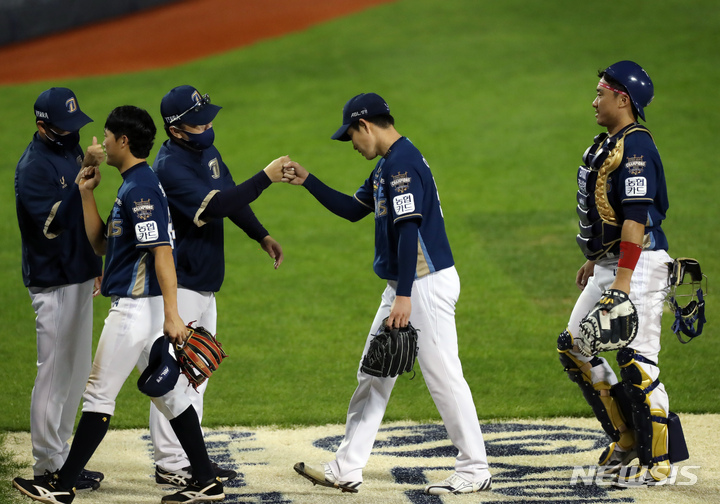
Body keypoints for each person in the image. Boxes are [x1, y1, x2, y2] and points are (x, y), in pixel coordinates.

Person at [11, 105, 287, 503]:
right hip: (142, 308)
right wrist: (86, 193)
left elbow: (162, 252)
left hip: (137, 309)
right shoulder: (133, 183)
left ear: (123, 141)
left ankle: (62, 485)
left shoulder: (140, 189)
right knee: (171, 393)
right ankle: (205, 479)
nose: (101, 142)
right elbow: (103, 244)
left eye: (107, 136)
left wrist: (172, 316)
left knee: (98, 394)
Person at [284, 93, 492, 495]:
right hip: (405, 284)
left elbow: (409, 229)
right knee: (374, 371)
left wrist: (404, 297)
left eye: (351, 137)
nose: (353, 145)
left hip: (422, 283)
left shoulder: (401, 165)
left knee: (442, 376)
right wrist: (308, 180)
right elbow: (351, 209)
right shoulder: (386, 166)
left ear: (365, 125)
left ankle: (474, 467)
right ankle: (346, 467)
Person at [150, 85, 286, 486]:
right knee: (174, 375)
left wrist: (261, 235)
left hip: (206, 281)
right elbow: (215, 206)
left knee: (198, 372)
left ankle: (190, 459)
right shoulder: (169, 166)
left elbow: (231, 197)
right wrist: (265, 177)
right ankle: (171, 464)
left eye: (208, 116)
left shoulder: (207, 152)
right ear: (176, 129)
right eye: (198, 121)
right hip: (182, 282)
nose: (207, 124)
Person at [556, 61, 673, 486]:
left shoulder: (636, 146)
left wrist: (622, 283)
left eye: (601, 93)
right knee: (574, 346)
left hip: (638, 266)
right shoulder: (610, 143)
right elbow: (611, 212)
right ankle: (625, 438)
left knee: (638, 361)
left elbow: (636, 218)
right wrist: (595, 258)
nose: (595, 100)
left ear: (623, 99)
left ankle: (659, 461)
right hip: (612, 262)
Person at [14, 87, 106, 491]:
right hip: (53, 283)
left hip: (80, 275)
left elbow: (81, 208)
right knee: (53, 375)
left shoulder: (66, 151)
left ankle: (62, 458)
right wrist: (83, 178)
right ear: (42, 126)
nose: (71, 133)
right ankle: (44, 465)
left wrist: (95, 262)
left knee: (76, 374)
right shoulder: (33, 167)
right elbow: (53, 224)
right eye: (64, 127)